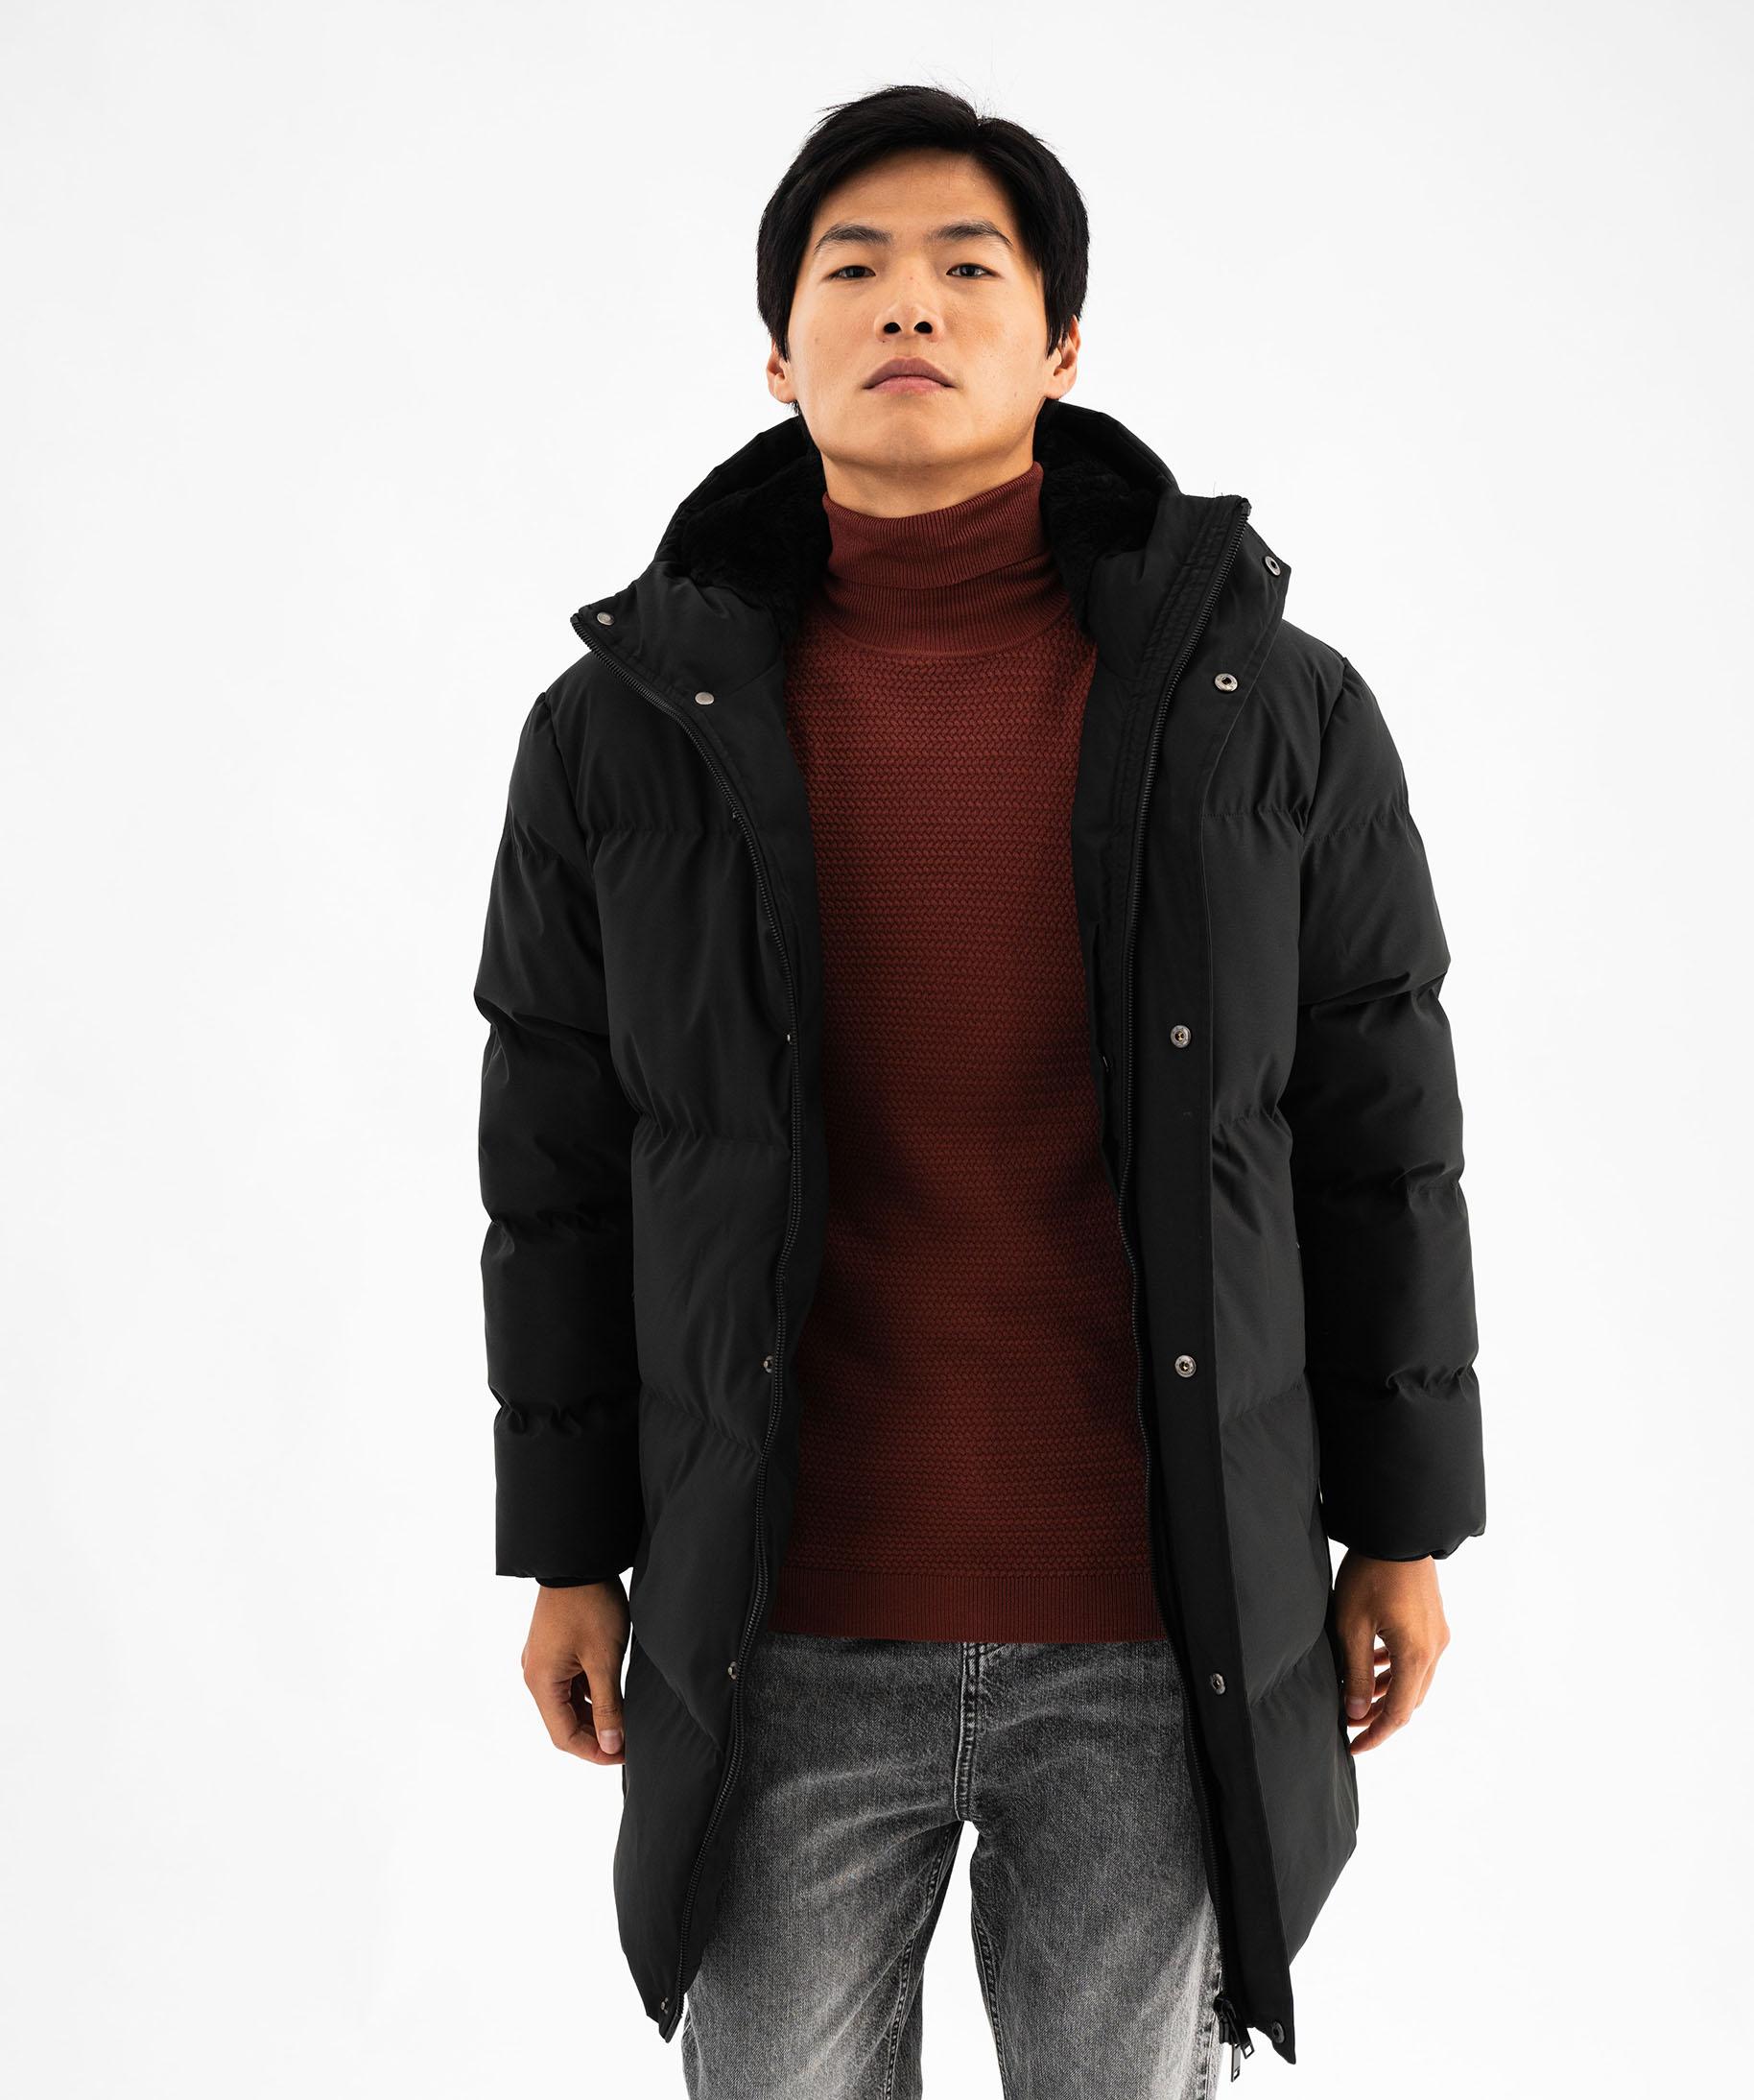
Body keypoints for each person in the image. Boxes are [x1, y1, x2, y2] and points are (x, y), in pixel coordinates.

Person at [473, 83, 1484, 2100]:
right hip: (775, 1625)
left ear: (1061, 344)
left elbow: (1378, 1132)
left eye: (967, 268)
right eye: (851, 270)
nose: (908, 305)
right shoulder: (617, 736)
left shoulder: (1268, 709)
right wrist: (567, 1550)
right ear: (779, 357)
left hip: (1154, 1619)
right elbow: (558, 1171)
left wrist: (1404, 1524)